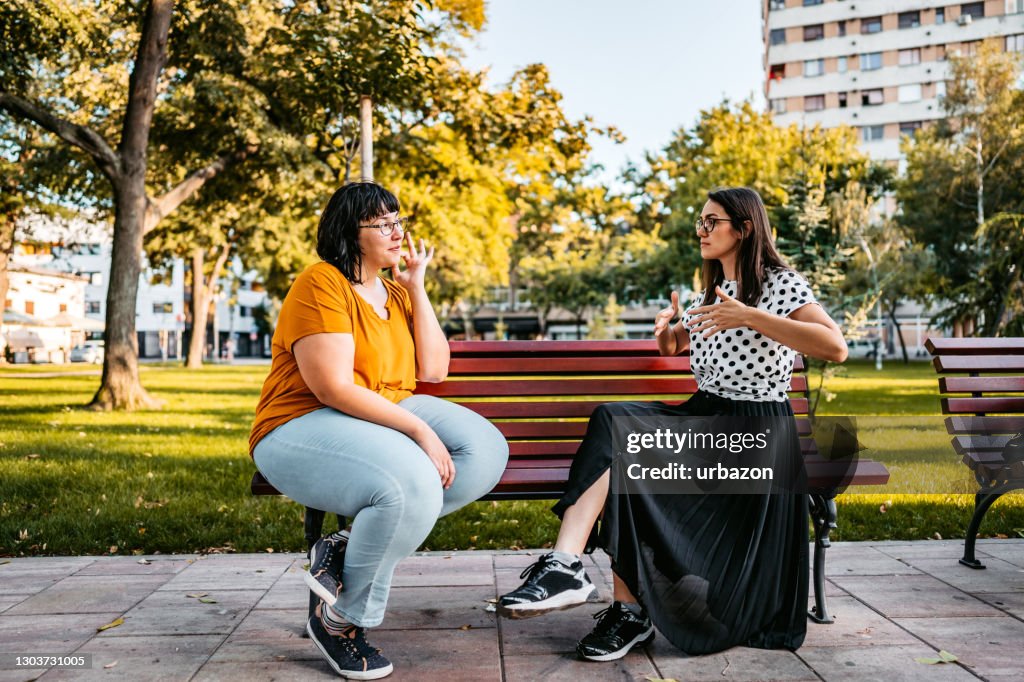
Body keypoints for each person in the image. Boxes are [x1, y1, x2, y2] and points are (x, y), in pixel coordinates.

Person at [497, 186, 848, 661]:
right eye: (699, 222)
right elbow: (677, 347)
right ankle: (581, 578)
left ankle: (616, 605)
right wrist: (667, 332)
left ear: (744, 229)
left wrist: (752, 316)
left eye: (712, 222)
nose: (701, 231)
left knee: (626, 445)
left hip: (753, 432)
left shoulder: (781, 284)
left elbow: (834, 346)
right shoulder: (712, 289)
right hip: (704, 415)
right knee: (617, 429)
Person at [249, 182, 509, 679]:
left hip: (381, 413)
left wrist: (416, 285)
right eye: (383, 223)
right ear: (352, 232)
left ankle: (345, 546)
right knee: (409, 484)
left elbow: (434, 368)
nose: (397, 231)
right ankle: (342, 621)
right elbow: (331, 388)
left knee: (485, 450)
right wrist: (420, 431)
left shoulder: (393, 291)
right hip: (299, 424)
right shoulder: (321, 283)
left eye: (398, 220)